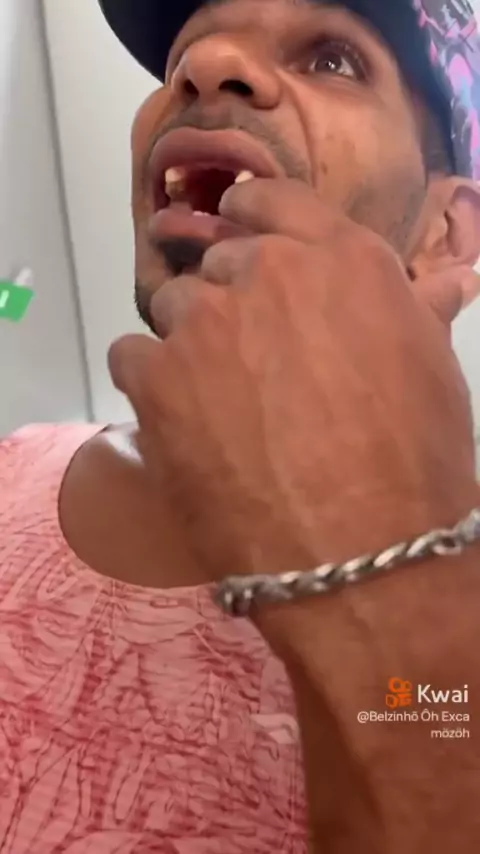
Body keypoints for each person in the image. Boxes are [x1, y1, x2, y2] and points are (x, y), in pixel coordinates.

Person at [1, 0, 480, 850]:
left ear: (446, 233)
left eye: (333, 58)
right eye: (187, 51)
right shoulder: (12, 472)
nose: (207, 64)